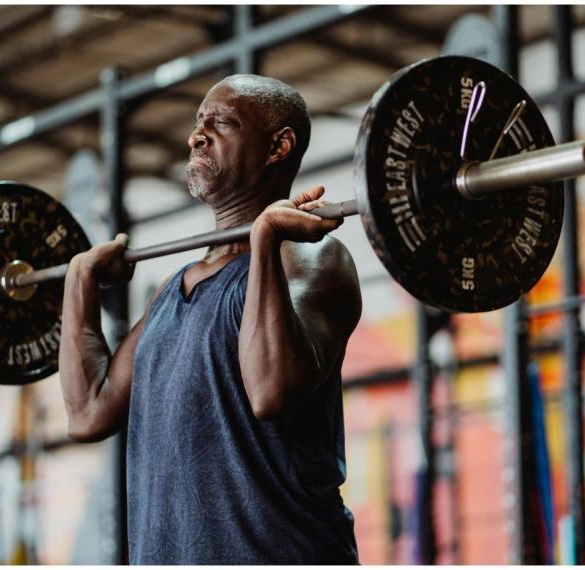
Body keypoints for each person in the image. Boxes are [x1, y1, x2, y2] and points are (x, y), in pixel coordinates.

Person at [59, 74, 362, 564]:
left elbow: (270, 390)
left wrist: (263, 240)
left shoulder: (313, 261)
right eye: (198, 123)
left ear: (277, 146)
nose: (196, 136)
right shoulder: (172, 293)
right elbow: (87, 413)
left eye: (220, 122)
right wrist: (79, 283)